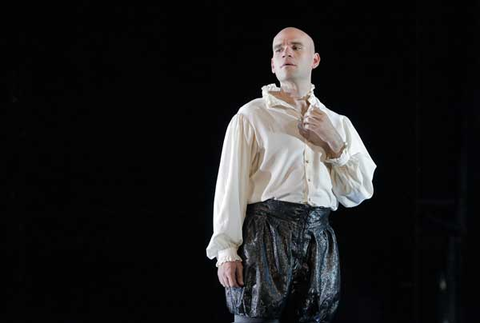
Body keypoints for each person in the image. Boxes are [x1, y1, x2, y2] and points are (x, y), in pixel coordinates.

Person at [206, 27, 376, 323]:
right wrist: (227, 252)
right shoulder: (251, 116)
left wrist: (333, 143)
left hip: (318, 237)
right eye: (279, 49)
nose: (286, 52)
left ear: (315, 60)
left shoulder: (337, 122)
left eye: (296, 47)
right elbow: (230, 187)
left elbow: (359, 191)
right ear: (273, 64)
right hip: (266, 232)